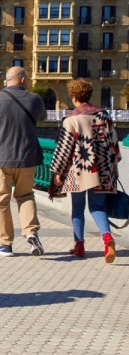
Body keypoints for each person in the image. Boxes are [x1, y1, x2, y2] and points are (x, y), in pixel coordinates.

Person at [0, 66, 47, 257]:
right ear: (22, 80)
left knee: (1, 200)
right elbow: (43, 117)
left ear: (7, 80)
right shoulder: (35, 99)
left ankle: (4, 244)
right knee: (26, 196)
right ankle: (31, 232)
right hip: (27, 158)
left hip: (0, 159)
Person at [49, 79, 120, 263]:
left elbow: (64, 149)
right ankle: (107, 238)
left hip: (79, 170)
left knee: (78, 207)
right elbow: (114, 145)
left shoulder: (71, 119)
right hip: (103, 170)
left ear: (73, 96)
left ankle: (79, 245)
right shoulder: (104, 116)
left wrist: (57, 171)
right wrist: (114, 167)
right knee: (97, 207)